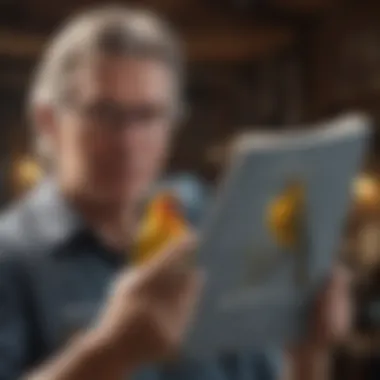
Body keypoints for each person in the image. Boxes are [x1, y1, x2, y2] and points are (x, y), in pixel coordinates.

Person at [0, 6, 351, 380]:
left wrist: (309, 353)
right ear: (48, 120)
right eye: (104, 113)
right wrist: (108, 352)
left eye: (148, 115)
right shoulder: (11, 254)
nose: (128, 141)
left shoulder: (208, 228)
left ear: (172, 126)